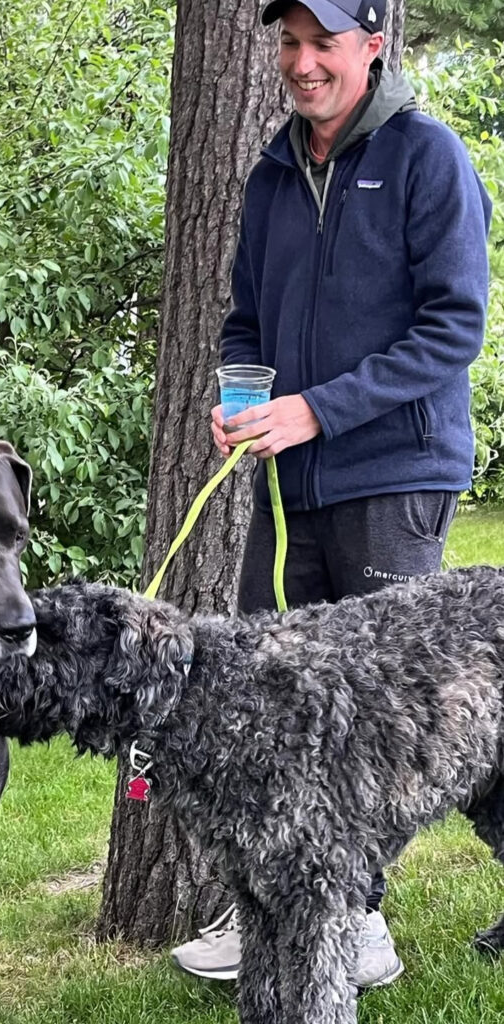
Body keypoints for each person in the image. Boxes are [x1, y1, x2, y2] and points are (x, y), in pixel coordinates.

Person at [170, 0, 492, 991]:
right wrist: (241, 399)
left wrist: (317, 410)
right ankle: (275, 905)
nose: (302, 62)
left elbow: (452, 329)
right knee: (270, 702)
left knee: (385, 716)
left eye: (324, 43)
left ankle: (356, 920)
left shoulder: (427, 156)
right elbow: (246, 321)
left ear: (370, 45)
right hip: (288, 485)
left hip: (394, 474)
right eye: (289, 43)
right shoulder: (271, 172)